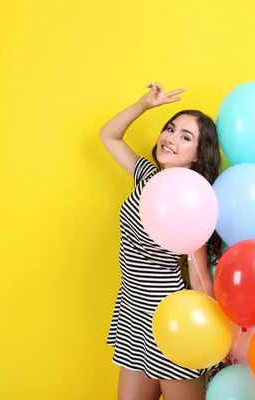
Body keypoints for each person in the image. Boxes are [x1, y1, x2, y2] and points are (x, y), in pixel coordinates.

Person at [99, 82, 225, 400]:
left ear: (198, 155)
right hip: (132, 311)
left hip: (170, 317)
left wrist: (216, 334)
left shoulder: (192, 200)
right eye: (170, 129)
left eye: (186, 137)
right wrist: (144, 104)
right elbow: (108, 135)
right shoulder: (147, 177)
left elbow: (198, 280)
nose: (170, 139)